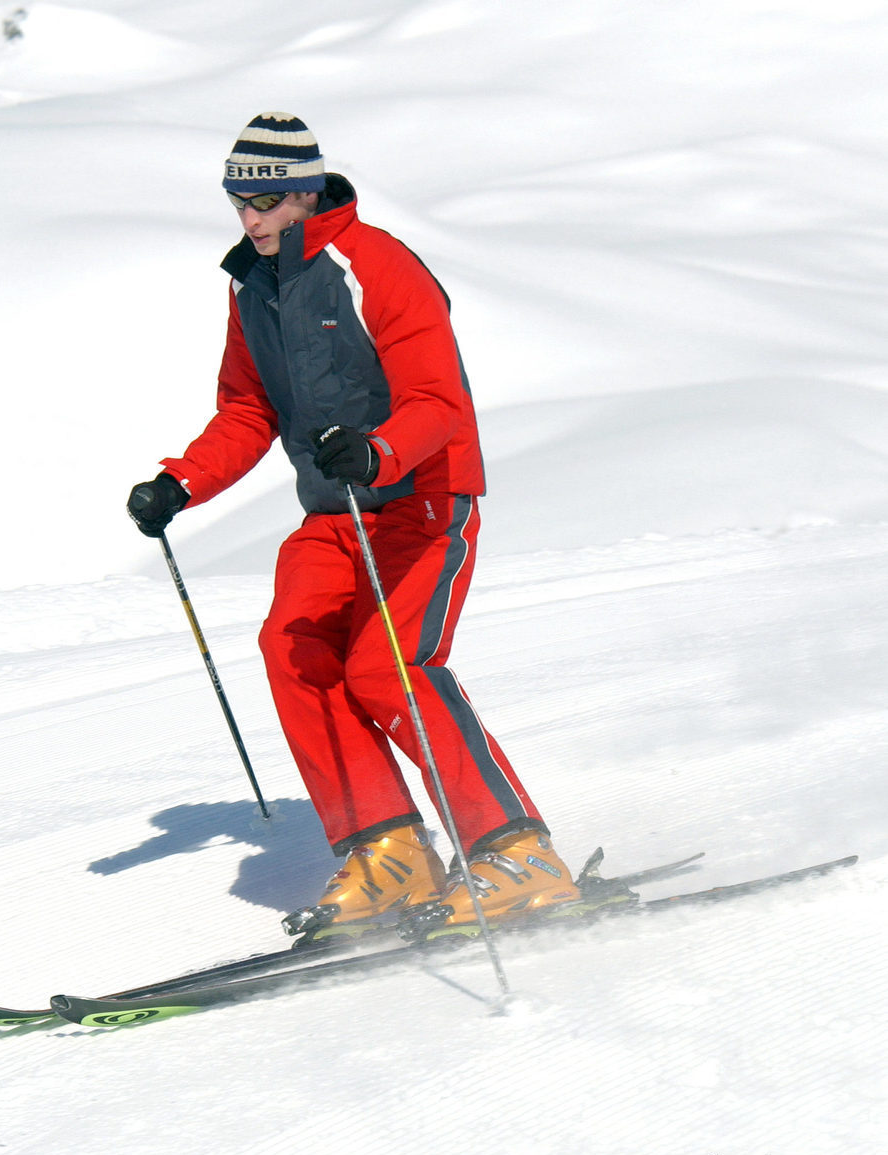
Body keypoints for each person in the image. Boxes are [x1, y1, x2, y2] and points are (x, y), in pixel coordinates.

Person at [128, 112, 589, 943]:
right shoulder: (253, 286)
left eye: (263, 202)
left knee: (389, 667)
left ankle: (519, 853)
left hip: (421, 500)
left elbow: (438, 402)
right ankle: (391, 850)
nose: (249, 219)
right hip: (336, 511)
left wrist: (378, 451)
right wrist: (180, 482)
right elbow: (247, 408)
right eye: (238, 202)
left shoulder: (376, 264)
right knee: (293, 648)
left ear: (305, 191)